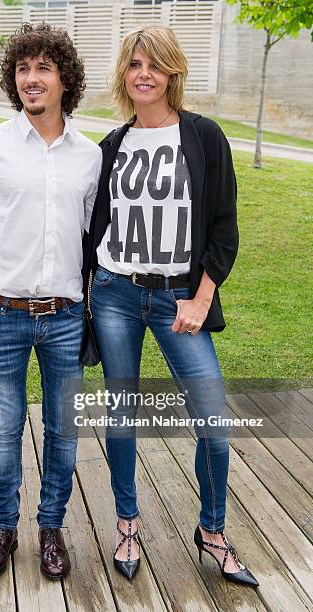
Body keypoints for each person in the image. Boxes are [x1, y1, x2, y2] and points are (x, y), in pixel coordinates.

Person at [83, 25, 259, 586]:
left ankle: (212, 532)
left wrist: (201, 298)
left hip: (179, 298)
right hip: (114, 292)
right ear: (123, 74)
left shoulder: (204, 137)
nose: (143, 74)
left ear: (172, 73)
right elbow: (95, 226)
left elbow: (225, 227)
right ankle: (127, 522)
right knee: (122, 411)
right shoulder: (113, 145)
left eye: (154, 65)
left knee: (213, 420)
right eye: (134, 64)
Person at [0, 23, 101, 582]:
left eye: (44, 68)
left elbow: (92, 237)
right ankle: (3, 529)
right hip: (1, 313)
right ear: (15, 81)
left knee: (63, 430)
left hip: (62, 318)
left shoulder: (89, 156)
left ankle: (51, 528)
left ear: (65, 80)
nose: (32, 79)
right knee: (4, 427)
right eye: (22, 69)